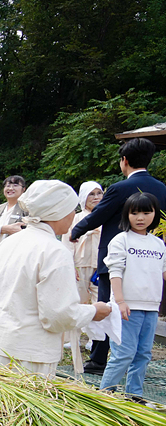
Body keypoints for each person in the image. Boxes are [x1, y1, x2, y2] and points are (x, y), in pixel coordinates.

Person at [0, 180, 111, 378]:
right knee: (22, 409)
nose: (73, 215)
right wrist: (93, 311)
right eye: (71, 209)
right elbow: (58, 315)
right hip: (26, 355)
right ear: (58, 212)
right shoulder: (54, 250)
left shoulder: (8, 244)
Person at [71, 138, 166, 374]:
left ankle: (100, 360)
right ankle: (135, 360)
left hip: (115, 259)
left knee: (108, 305)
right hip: (150, 258)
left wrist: (75, 231)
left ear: (124, 161)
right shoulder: (162, 189)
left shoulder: (119, 188)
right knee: (143, 311)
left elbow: (98, 216)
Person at [99, 193, 165, 400]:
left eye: (147, 212)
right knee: (124, 354)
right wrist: (120, 301)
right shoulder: (121, 240)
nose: (140, 217)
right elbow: (115, 272)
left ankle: (134, 395)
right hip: (126, 307)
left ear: (155, 214)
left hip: (151, 307)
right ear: (126, 214)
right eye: (134, 212)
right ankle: (104, 394)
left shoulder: (158, 244)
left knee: (143, 354)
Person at [63, 182, 103, 304]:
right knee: (79, 300)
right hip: (80, 265)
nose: (96, 197)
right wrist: (71, 265)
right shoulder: (75, 218)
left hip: (101, 265)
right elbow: (67, 243)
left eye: (99, 193)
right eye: (91, 194)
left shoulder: (106, 218)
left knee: (101, 300)